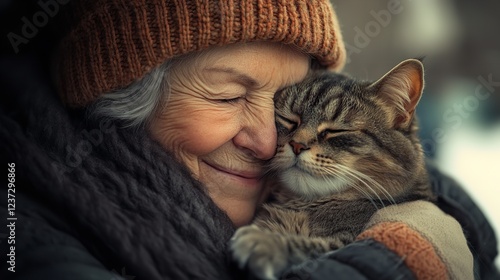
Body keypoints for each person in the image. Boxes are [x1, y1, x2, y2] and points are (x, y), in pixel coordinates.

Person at [0, 0, 498, 279]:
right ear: (121, 97)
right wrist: (399, 262)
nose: (270, 143)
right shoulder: (22, 238)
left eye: (284, 103)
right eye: (226, 97)